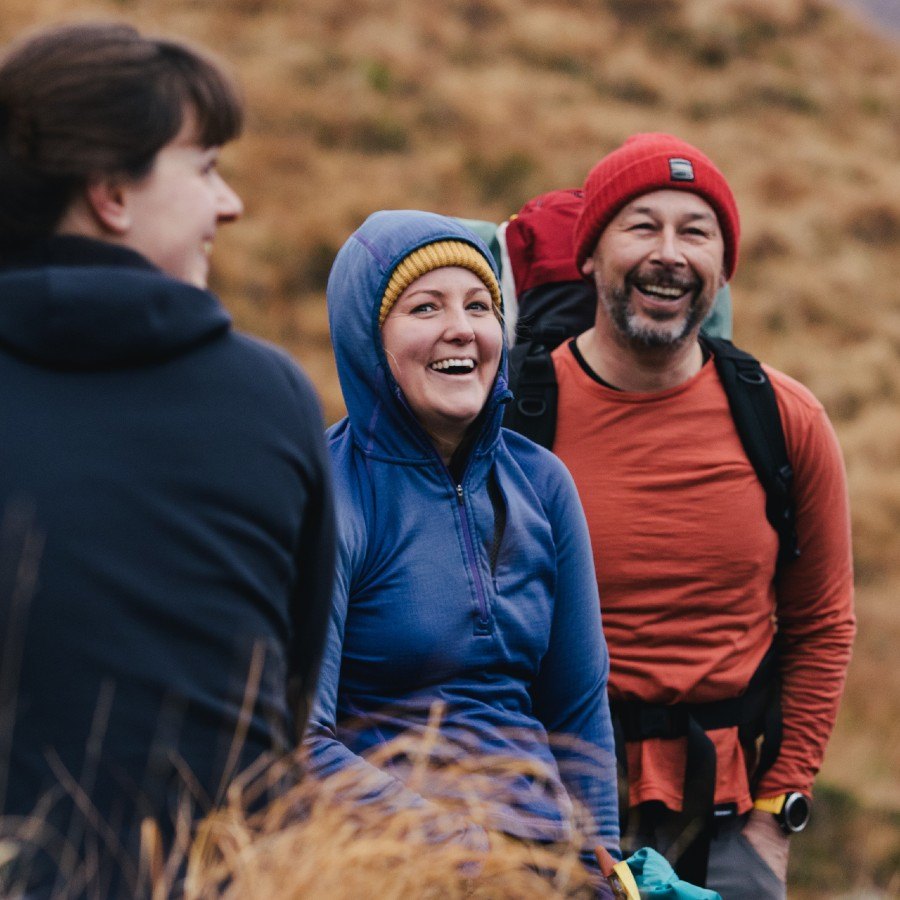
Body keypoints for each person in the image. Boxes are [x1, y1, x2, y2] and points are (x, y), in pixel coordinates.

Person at [0, 22, 334, 896]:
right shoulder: (268, 396)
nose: (231, 205)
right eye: (205, 167)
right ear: (112, 192)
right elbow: (293, 688)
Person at [523, 132, 854, 899]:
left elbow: (823, 621)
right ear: (590, 256)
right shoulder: (516, 416)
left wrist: (778, 816)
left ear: (723, 267)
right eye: (641, 225)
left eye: (695, 231)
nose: (668, 253)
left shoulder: (784, 418)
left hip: (731, 817)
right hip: (556, 812)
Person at [305, 209, 620, 889]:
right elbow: (299, 738)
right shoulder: (328, 494)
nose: (461, 328)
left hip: (542, 862)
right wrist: (461, 849)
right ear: (368, 337)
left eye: (480, 305)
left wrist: (603, 860)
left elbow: (578, 706)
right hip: (388, 866)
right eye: (425, 306)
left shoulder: (542, 482)